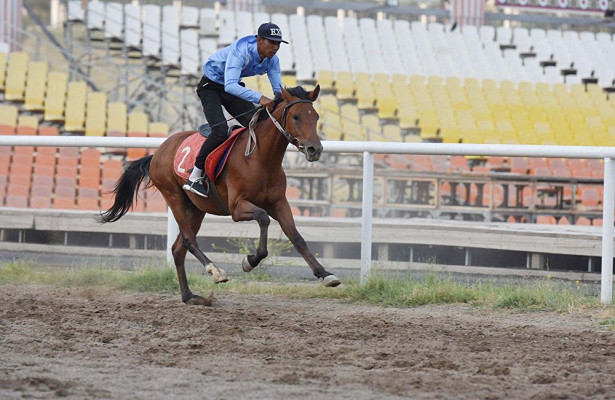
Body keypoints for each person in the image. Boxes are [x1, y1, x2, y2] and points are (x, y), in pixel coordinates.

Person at [183, 22, 289, 198]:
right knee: (219, 130)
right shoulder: (242, 50)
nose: (275, 48)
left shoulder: (273, 60)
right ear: (259, 40)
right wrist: (259, 98)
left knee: (259, 125)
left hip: (230, 86)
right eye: (272, 42)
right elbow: (230, 85)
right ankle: (194, 176)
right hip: (211, 87)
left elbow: (278, 91)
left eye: (278, 43)